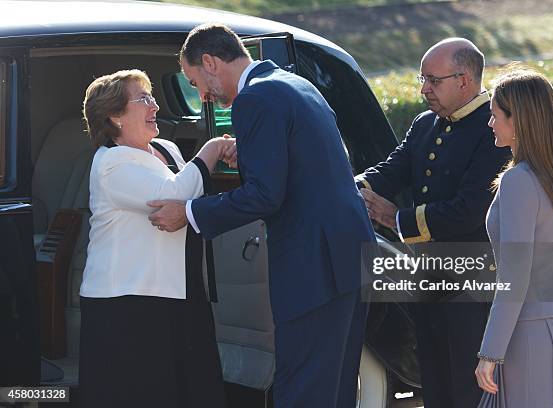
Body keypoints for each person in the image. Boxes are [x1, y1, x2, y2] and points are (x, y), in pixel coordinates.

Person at [147, 24, 376, 408]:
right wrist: (251, 148)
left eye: (194, 82)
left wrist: (189, 212)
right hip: (348, 257)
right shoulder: (293, 83)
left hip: (313, 265)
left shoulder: (254, 99)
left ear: (210, 62)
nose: (201, 95)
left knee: (302, 389)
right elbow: (305, 160)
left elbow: (265, 195)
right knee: (334, 387)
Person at [355, 38, 510, 407]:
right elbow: (390, 171)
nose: (424, 89)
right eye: (421, 79)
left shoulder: (493, 128)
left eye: (432, 80)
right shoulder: (426, 123)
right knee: (434, 383)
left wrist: (395, 218)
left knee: (468, 388)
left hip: (472, 281)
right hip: (428, 277)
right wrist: (350, 189)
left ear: (464, 79)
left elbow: (468, 211)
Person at [79, 69, 235, 407]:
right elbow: (170, 195)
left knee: (190, 387)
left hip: (178, 291)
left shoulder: (165, 149)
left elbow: (193, 197)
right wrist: (213, 149)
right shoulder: (110, 162)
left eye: (152, 96)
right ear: (115, 115)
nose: (154, 104)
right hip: (128, 302)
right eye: (143, 98)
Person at [475, 67, 553, 407]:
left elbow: (514, 272)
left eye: (495, 115)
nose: (490, 123)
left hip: (527, 330)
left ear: (517, 120)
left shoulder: (519, 180)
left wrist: (490, 350)